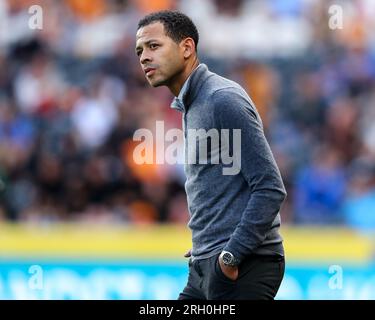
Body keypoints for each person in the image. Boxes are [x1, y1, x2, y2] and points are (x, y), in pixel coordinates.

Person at [135, 10, 287, 300]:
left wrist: (230, 256)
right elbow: (223, 183)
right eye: (139, 50)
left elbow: (270, 187)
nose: (143, 57)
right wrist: (208, 240)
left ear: (187, 48)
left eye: (154, 46)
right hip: (206, 263)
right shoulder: (193, 104)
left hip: (242, 266)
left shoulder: (221, 99)